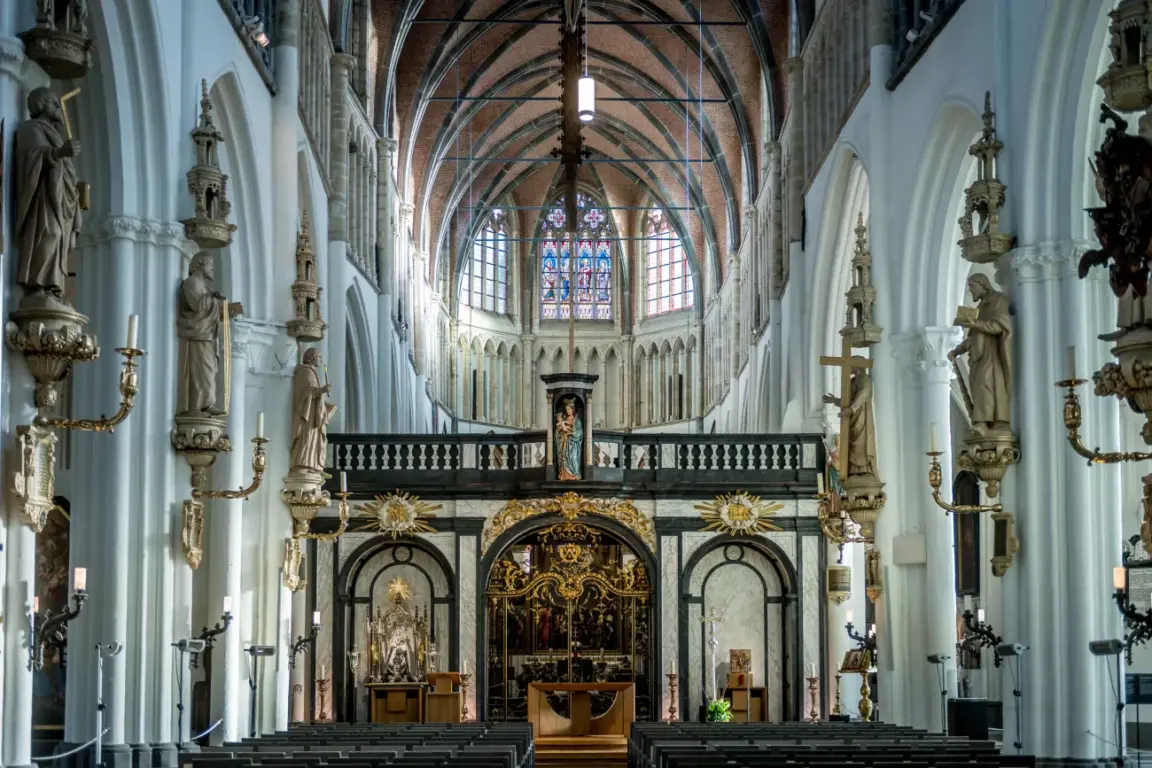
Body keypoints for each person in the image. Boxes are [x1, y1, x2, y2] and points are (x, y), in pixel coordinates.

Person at [15, 87, 82, 305]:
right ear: (40, 104)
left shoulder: (56, 134)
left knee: (60, 240)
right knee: (49, 233)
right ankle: (36, 286)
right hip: (42, 197)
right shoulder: (30, 128)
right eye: (54, 103)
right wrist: (60, 152)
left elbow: (66, 170)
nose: (58, 108)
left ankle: (52, 289)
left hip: (61, 196)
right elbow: (31, 158)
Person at [948, 274, 1012, 434]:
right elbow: (973, 336)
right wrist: (958, 350)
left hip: (992, 353)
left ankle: (993, 421)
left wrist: (975, 323)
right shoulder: (981, 307)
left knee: (987, 385)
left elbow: (1000, 326)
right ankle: (983, 422)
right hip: (978, 354)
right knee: (978, 387)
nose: (971, 291)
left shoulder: (998, 300)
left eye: (972, 287)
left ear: (983, 284)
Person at [176, 253, 225, 415]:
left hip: (207, 334)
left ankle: (207, 404)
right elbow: (197, 305)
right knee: (201, 371)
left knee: (210, 371)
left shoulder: (203, 287)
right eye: (210, 264)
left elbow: (206, 308)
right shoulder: (191, 282)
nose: (213, 268)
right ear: (199, 264)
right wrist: (211, 296)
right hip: (197, 333)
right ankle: (196, 406)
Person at [290, 348, 338, 472]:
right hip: (308, 416)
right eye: (319, 357)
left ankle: (312, 465)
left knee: (313, 440)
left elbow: (314, 395)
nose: (320, 360)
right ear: (311, 358)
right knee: (307, 439)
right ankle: (303, 463)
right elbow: (305, 393)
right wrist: (322, 390)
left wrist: (326, 406)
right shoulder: (305, 371)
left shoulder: (311, 372)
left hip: (313, 415)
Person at [554, 397, 584, 480]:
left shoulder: (577, 421)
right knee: (564, 459)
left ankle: (574, 474)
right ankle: (564, 475)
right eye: (566, 409)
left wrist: (570, 433)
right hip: (564, 442)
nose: (568, 411)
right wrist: (560, 431)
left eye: (569, 409)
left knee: (573, 458)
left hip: (573, 445)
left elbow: (579, 433)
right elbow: (557, 432)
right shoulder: (563, 420)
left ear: (573, 409)